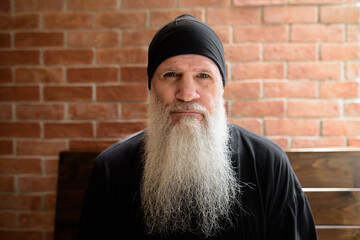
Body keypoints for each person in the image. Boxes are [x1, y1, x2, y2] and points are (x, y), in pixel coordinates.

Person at [77, 14, 318, 240]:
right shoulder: (111, 169)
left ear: (221, 88)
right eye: (171, 75)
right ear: (151, 88)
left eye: (203, 76)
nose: (187, 93)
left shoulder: (268, 163)